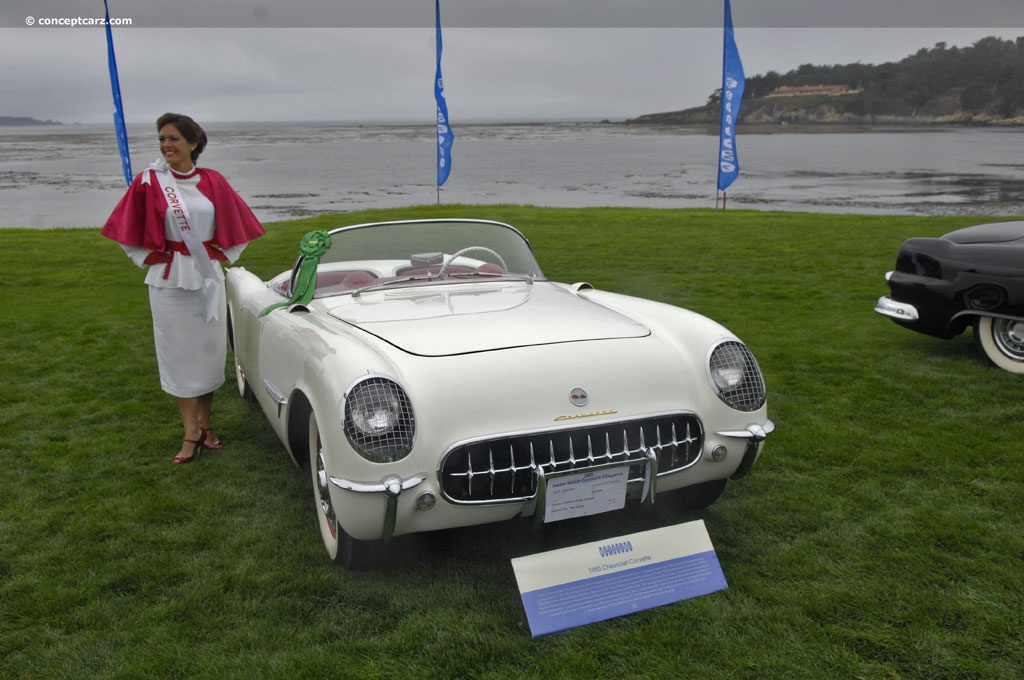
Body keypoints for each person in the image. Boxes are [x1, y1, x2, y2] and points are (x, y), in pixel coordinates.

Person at [102, 113, 265, 465]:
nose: (166, 146)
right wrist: (152, 259)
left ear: (193, 143)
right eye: (162, 139)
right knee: (179, 357)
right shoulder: (149, 181)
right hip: (170, 282)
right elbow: (126, 225)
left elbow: (238, 223)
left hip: (207, 279)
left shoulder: (213, 180)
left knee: (207, 355)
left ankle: (206, 426)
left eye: (173, 139)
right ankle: (190, 432)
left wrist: (219, 255)